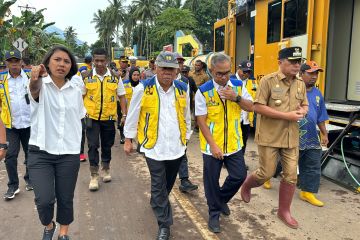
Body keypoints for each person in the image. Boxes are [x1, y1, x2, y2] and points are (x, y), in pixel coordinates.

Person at [124, 51, 191, 240]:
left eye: (171, 69)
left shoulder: (181, 88)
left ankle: (158, 201)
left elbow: (186, 115)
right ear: (155, 68)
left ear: (177, 71)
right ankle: (164, 224)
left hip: (176, 148)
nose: (168, 72)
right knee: (158, 184)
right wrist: (128, 139)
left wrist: (186, 138)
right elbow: (133, 115)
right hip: (153, 147)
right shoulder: (144, 88)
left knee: (167, 184)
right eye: (164, 68)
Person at [240, 47, 309, 229]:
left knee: (291, 176)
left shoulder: (300, 83)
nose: (296, 65)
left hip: (291, 137)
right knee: (266, 173)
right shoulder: (267, 82)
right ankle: (247, 185)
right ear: (280, 62)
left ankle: (283, 211)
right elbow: (258, 107)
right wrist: (287, 116)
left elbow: (304, 104)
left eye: (298, 62)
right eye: (292, 62)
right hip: (270, 136)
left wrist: (303, 110)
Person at [28, 45, 85, 240]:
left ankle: (63, 233)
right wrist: (35, 78)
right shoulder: (40, 85)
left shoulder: (76, 90)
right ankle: (49, 225)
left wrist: (79, 148)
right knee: (43, 200)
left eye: (66, 61)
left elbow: (79, 119)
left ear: (71, 66)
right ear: (47, 63)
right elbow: (34, 90)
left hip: (68, 153)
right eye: (57, 60)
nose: (62, 64)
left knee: (65, 197)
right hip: (40, 151)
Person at [195, 53, 253, 233]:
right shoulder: (203, 91)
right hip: (212, 145)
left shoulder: (238, 85)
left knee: (239, 175)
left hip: (234, 144)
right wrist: (213, 145)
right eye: (219, 73)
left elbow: (251, 106)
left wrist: (235, 97)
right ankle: (214, 213)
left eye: (227, 72)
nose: (224, 77)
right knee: (211, 181)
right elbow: (201, 121)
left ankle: (220, 201)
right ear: (211, 71)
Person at [83, 48, 126, 191]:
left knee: (107, 145)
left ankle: (106, 168)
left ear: (106, 61)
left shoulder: (115, 77)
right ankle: (94, 175)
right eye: (97, 60)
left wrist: (124, 115)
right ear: (93, 61)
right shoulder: (86, 76)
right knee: (93, 145)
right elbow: (80, 97)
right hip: (91, 118)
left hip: (109, 118)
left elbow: (122, 96)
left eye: (102, 60)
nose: (100, 63)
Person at [0, 50, 33, 200]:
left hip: (29, 123)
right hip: (10, 126)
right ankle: (13, 186)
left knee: (31, 154)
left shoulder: (30, 76)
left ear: (21, 62)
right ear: (6, 63)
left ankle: (30, 179)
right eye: (10, 61)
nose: (13, 64)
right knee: (10, 155)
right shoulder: (1, 80)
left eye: (16, 61)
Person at [297, 60, 328, 207]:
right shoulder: (293, 90)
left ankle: (307, 192)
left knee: (313, 164)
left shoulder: (317, 94)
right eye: (310, 73)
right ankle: (267, 176)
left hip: (311, 136)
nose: (314, 76)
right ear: (301, 74)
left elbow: (321, 116)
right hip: (292, 135)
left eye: (316, 73)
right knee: (280, 162)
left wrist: (324, 134)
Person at [175, 52, 198, 193]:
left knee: (182, 151)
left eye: (181, 62)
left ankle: (184, 180)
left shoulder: (186, 81)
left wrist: (188, 129)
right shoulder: (159, 79)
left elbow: (189, 103)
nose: (179, 65)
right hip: (165, 125)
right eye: (177, 62)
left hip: (181, 122)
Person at [233, 60, 257, 154]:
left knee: (243, 141)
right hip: (234, 118)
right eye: (244, 71)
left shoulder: (253, 81)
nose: (246, 74)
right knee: (233, 140)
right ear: (238, 69)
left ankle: (240, 161)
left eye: (248, 72)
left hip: (246, 119)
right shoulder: (231, 79)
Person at [119, 67, 141, 144]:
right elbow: (121, 98)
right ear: (131, 75)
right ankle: (125, 139)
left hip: (138, 112)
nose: (136, 77)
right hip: (126, 111)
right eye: (134, 75)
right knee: (126, 127)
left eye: (138, 75)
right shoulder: (124, 84)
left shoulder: (142, 85)